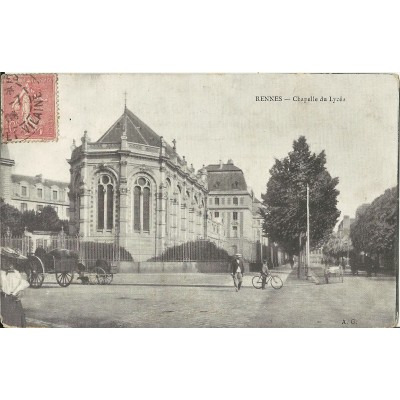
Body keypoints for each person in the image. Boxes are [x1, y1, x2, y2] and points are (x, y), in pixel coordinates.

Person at [0, 247, 30, 328]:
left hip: (13, 303)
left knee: (14, 324)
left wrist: (20, 292)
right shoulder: (1, 273)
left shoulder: (15, 273)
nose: (8, 263)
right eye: (3, 260)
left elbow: (21, 285)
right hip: (2, 302)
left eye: (10, 261)